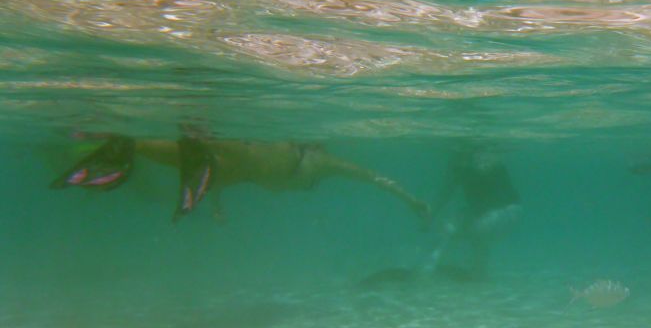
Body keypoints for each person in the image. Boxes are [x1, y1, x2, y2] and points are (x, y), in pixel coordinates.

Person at [51, 133, 431, 223]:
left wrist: (215, 199)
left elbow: (232, 178)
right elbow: (371, 177)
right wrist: (412, 200)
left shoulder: (317, 162)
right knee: (222, 155)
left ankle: (126, 145)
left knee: (198, 157)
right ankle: (123, 146)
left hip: (241, 167)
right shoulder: (322, 162)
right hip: (273, 161)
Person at [427, 143, 522, 279]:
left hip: (506, 209)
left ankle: (479, 272)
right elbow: (446, 191)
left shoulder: (487, 156)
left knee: (481, 229)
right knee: (446, 227)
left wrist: (473, 159)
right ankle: (427, 269)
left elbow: (485, 167)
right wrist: (432, 212)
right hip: (477, 209)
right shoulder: (457, 164)